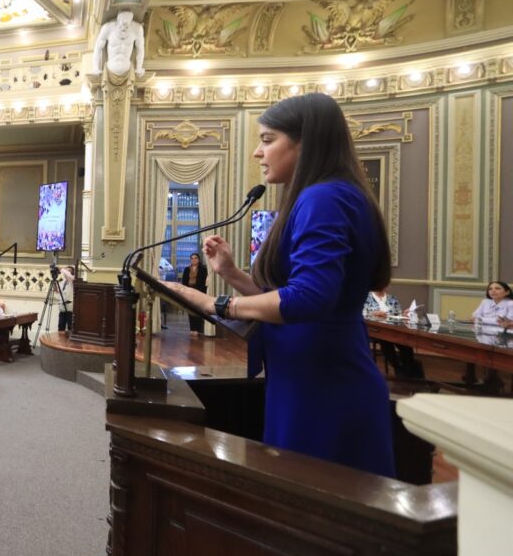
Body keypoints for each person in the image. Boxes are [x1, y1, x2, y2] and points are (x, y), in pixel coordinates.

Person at [163, 92, 395, 477]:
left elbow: (309, 300)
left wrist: (217, 305)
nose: (258, 152)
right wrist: (234, 275)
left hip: (323, 388)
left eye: (268, 139)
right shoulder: (333, 193)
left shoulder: (323, 197)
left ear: (305, 141)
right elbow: (304, 300)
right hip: (310, 377)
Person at [364, 288, 423, 378]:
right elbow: (361, 315)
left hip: (392, 330)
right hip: (375, 331)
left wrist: (404, 314)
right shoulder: (366, 297)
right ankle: (398, 368)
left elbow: (397, 315)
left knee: (405, 344)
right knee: (386, 342)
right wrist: (373, 314)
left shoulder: (392, 298)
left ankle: (407, 370)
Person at [181, 253, 208, 337]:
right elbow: (184, 281)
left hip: (199, 291)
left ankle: (197, 329)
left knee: (198, 310)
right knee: (190, 310)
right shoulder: (187, 269)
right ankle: (192, 329)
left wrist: (202, 292)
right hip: (189, 291)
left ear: (198, 259)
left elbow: (204, 283)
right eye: (192, 258)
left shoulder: (203, 269)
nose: (194, 260)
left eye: (195, 258)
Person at [55, 265, 75, 333]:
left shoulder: (72, 281)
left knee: (70, 327)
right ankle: (60, 341)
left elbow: (69, 276)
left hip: (69, 309)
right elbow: (57, 292)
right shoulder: (62, 282)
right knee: (61, 326)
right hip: (62, 308)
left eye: (69, 270)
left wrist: (62, 269)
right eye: (66, 270)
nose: (66, 272)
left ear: (72, 273)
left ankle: (69, 342)